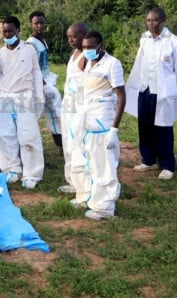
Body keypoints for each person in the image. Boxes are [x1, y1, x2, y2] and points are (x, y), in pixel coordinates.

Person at [69, 31, 126, 220]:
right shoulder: (87, 63)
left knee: (103, 165)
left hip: (102, 122)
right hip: (86, 121)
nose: (87, 50)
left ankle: (104, 208)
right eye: (84, 47)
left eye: (91, 47)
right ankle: (85, 196)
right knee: (85, 160)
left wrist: (114, 130)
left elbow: (121, 96)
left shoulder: (112, 64)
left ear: (100, 45)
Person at [126, 7, 177, 180]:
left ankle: (167, 165)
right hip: (145, 89)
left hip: (162, 91)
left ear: (163, 20)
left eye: (155, 20)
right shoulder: (144, 39)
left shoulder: (174, 41)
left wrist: (166, 82)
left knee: (163, 127)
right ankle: (148, 160)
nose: (151, 24)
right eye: (148, 20)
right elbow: (139, 62)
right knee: (144, 126)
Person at [0, 15, 45, 189]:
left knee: (28, 135)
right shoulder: (0, 53)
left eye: (10, 31)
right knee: (5, 135)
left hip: (24, 96)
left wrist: (39, 98)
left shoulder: (29, 50)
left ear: (18, 30)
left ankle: (32, 174)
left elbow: (36, 73)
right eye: (5, 31)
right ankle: (11, 169)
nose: (7, 34)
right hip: (5, 97)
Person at [26, 11, 63, 152]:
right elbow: (32, 67)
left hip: (46, 80)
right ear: (31, 25)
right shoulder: (31, 43)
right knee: (38, 115)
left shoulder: (42, 40)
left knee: (53, 114)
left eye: (42, 22)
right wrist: (42, 85)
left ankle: (61, 145)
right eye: (36, 23)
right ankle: (30, 148)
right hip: (39, 84)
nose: (39, 25)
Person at [58, 22, 88, 193]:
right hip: (68, 103)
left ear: (84, 35)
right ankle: (71, 180)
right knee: (68, 142)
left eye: (74, 36)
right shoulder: (74, 53)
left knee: (78, 143)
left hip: (79, 104)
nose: (70, 39)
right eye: (69, 36)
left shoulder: (87, 56)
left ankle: (81, 183)